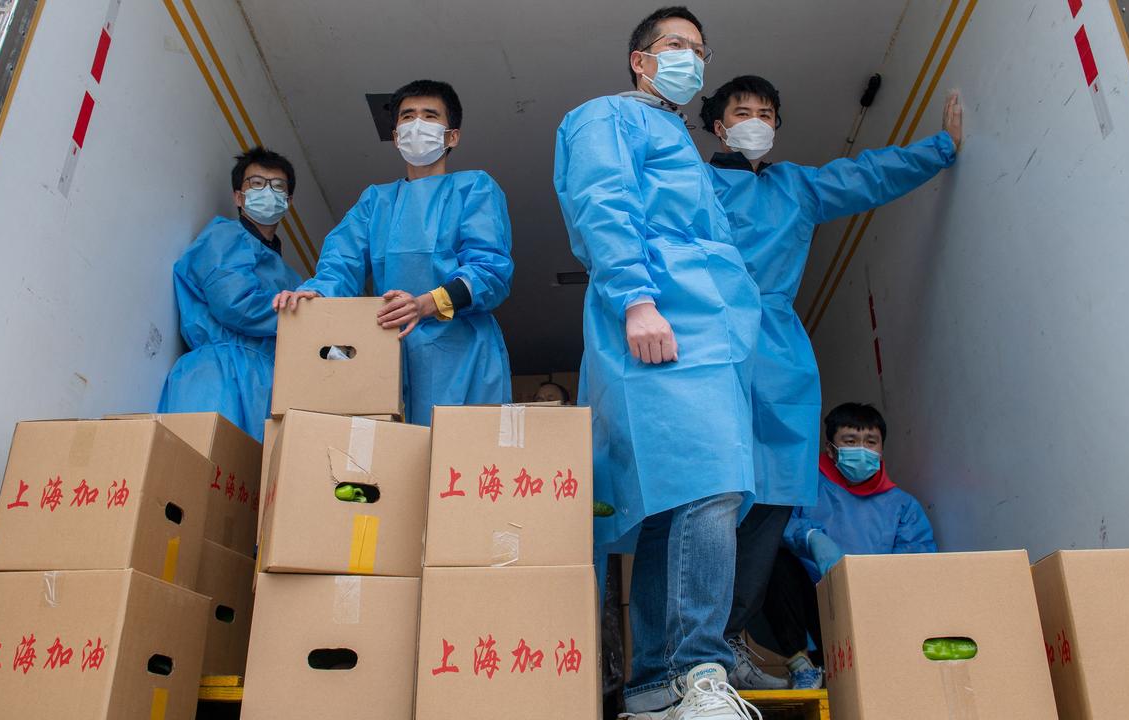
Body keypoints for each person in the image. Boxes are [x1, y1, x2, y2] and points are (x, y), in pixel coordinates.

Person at [697, 76, 962, 690]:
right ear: (718, 125)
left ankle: (730, 637)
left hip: (782, 357)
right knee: (708, 496)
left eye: (767, 112)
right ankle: (688, 647)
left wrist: (941, 148)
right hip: (713, 345)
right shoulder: (696, 183)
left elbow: (869, 174)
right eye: (742, 111)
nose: (755, 121)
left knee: (772, 502)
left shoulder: (797, 186)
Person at [554, 8, 765, 718]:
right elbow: (602, 203)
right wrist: (637, 300)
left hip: (708, 328)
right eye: (677, 46)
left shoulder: (680, 141)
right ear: (640, 60)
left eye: (700, 50)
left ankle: (654, 684)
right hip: (660, 316)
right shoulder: (604, 117)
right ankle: (694, 669)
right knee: (712, 485)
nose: (692, 60)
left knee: (678, 501)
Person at [273, 80, 513, 426]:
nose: (417, 125)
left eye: (430, 116)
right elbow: (340, 266)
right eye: (408, 117)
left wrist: (425, 304)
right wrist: (313, 297)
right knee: (395, 465)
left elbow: (490, 272)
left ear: (452, 136)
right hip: (388, 353)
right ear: (396, 135)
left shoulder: (475, 188)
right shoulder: (375, 202)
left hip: (464, 356)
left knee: (460, 462)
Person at [749, 403, 937, 688]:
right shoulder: (804, 488)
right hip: (815, 611)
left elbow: (915, 566)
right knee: (773, 559)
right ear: (830, 448)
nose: (862, 449)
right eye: (850, 441)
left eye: (870, 442)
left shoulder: (903, 507)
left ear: (881, 448)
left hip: (875, 614)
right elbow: (774, 527)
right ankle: (803, 667)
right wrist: (811, 537)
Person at [158, 147, 302, 441]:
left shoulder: (291, 275)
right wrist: (307, 319)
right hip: (219, 375)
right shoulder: (224, 237)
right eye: (257, 184)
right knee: (202, 471)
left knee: (247, 483)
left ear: (288, 202)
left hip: (266, 386)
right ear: (238, 196)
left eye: (277, 187)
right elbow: (236, 304)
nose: (267, 191)